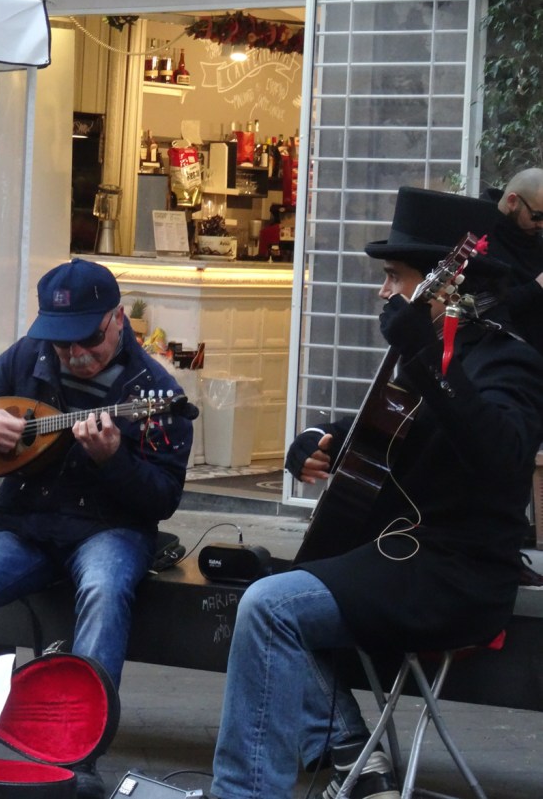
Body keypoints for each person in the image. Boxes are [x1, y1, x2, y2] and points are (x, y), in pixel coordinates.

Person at [211, 187, 543, 799]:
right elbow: (383, 424)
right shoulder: (429, 354)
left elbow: (502, 459)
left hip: (461, 572)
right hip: (401, 555)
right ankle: (352, 754)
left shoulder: (507, 362)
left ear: (447, 286)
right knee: (268, 589)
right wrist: (317, 438)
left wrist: (427, 358)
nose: (383, 291)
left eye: (395, 276)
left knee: (272, 607)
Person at [0, 259, 194, 797]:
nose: (75, 355)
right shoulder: (28, 358)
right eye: (62, 345)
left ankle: (77, 758)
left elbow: (163, 498)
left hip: (109, 529)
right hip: (26, 525)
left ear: (117, 320)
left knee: (104, 591)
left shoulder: (153, 390)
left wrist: (113, 462)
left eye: (87, 341)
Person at [480, 167, 543, 356]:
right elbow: (481, 306)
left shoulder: (534, 239)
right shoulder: (478, 232)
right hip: (502, 358)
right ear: (513, 201)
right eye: (537, 216)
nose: (541, 225)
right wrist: (536, 287)